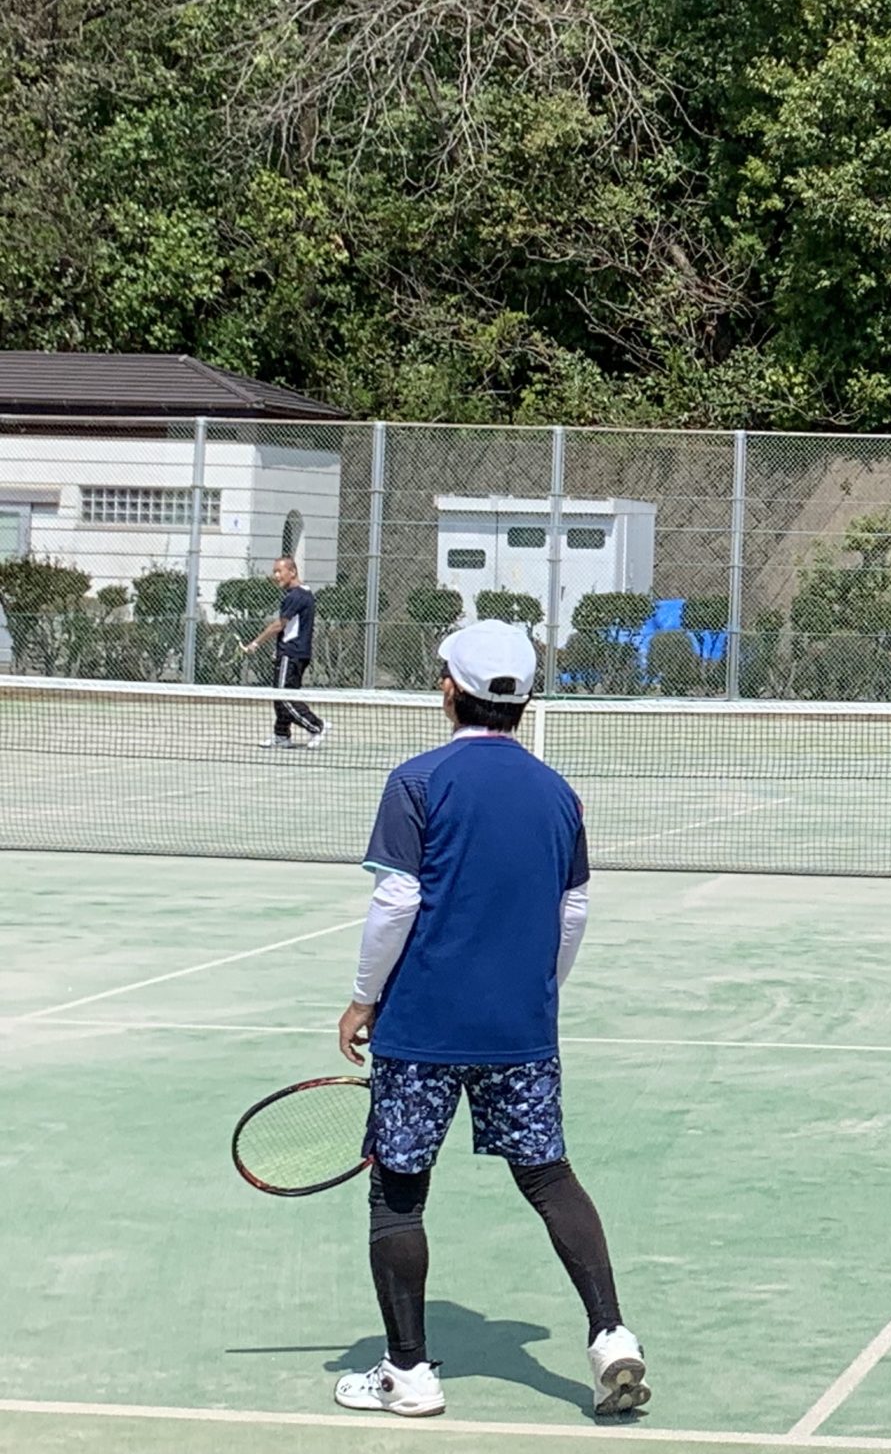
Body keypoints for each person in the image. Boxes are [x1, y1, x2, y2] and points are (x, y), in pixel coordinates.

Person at [330, 619, 647, 1421]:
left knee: (399, 1193)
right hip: (521, 1029)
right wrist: (539, 991)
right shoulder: (558, 794)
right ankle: (611, 1334)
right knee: (548, 1176)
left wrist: (364, 996)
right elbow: (572, 912)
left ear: (448, 690)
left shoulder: (417, 783)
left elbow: (396, 900)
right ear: (524, 699)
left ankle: (409, 1373)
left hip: (421, 1028)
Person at [240, 553, 326, 748]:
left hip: (292, 653)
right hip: (294, 652)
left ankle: (316, 726)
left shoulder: (295, 596)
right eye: (274, 572)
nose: (276, 576)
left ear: (292, 571)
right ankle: (281, 735)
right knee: (281, 697)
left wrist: (255, 643)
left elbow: (279, 625)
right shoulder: (305, 593)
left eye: (279, 571)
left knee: (284, 696)